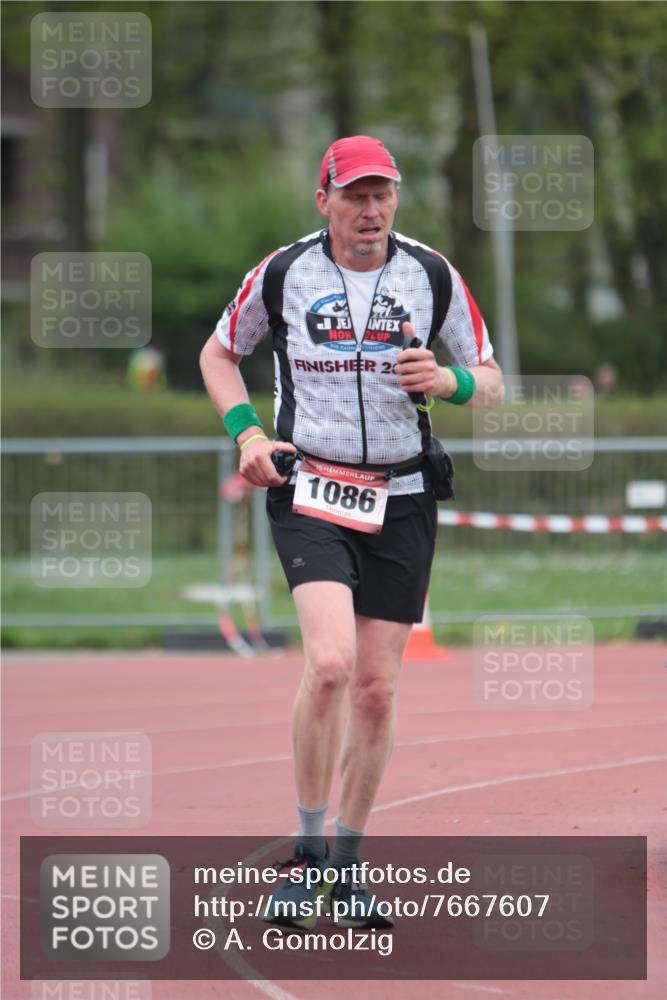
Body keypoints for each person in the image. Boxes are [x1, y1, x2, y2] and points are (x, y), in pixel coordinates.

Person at [200, 135, 504, 930]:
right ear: (324, 202)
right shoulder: (284, 272)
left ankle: (346, 863)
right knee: (329, 664)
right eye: (355, 196)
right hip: (310, 486)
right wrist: (247, 436)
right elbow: (219, 352)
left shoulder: (432, 274)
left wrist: (450, 379)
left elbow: (493, 380)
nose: (370, 210)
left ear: (395, 199)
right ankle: (304, 858)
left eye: (383, 194)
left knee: (375, 689)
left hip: (402, 497)